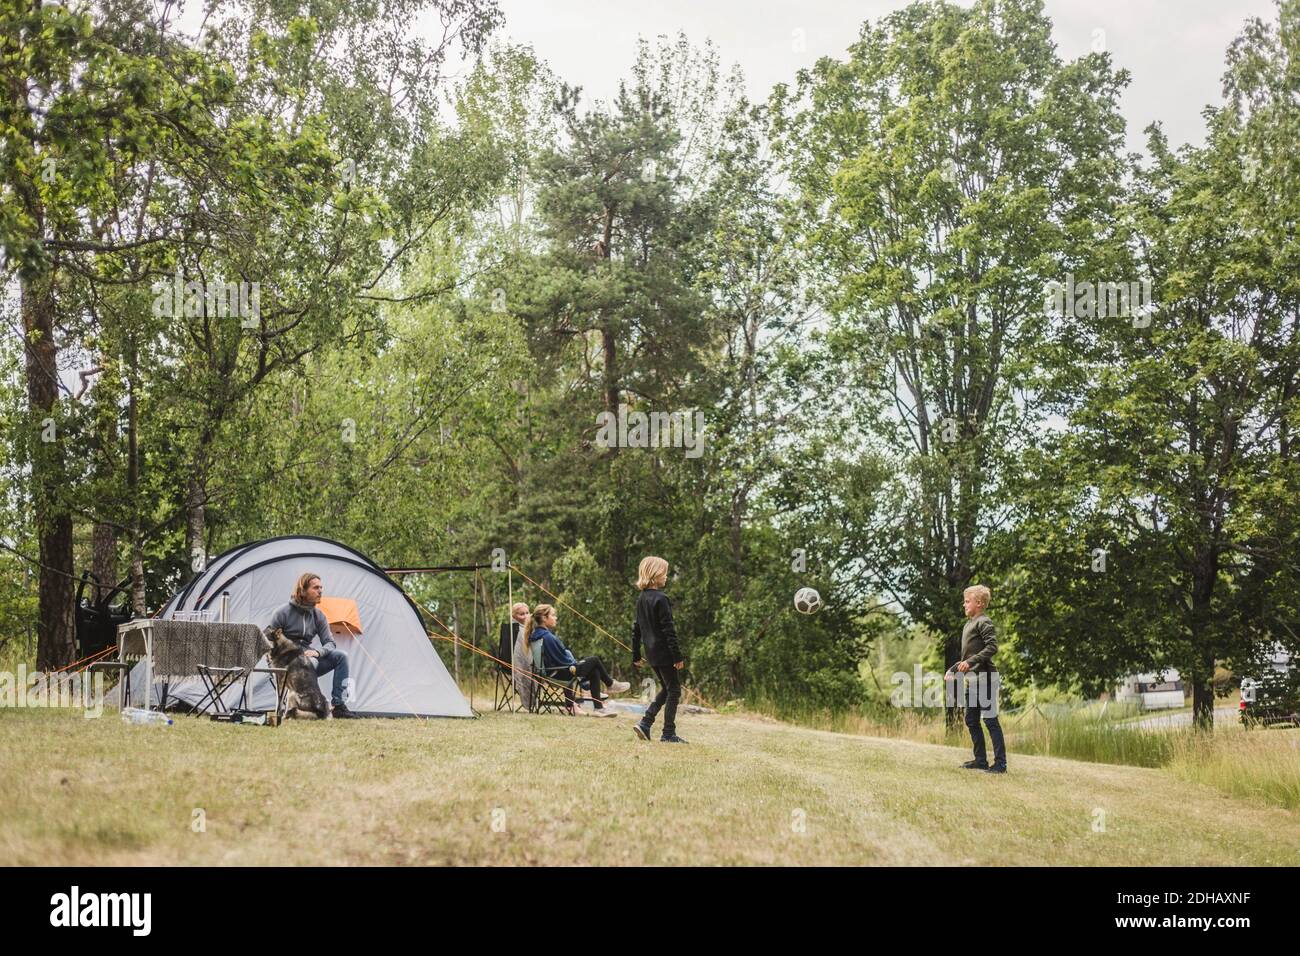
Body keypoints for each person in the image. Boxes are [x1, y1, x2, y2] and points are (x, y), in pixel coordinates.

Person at [265, 572, 357, 718]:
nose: (320, 591)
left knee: (341, 656)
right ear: (302, 591)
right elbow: (268, 642)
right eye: (315, 588)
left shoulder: (319, 615)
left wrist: (318, 652)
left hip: (309, 658)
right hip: (286, 663)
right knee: (310, 662)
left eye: (321, 587)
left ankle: (339, 705)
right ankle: (306, 707)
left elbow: (330, 643)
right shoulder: (282, 613)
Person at [523, 604, 629, 714]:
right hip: (561, 673)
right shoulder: (547, 637)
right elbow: (561, 660)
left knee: (595, 670)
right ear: (544, 618)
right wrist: (576, 664)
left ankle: (598, 708)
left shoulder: (537, 635)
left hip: (552, 672)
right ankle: (610, 684)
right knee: (594, 660)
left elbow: (558, 657)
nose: (556, 618)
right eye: (553, 615)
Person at [631, 556, 686, 743]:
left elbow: (636, 630)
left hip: (651, 653)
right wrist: (677, 656)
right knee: (675, 690)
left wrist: (636, 654)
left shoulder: (641, 599)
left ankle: (646, 722)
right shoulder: (661, 599)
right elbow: (669, 631)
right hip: (664, 653)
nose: (667, 577)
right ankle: (668, 733)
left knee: (668, 688)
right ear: (655, 575)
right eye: (665, 573)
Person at [954, 584, 1005, 773]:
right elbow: (966, 656)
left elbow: (992, 647)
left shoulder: (984, 621)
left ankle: (1000, 764)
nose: (964, 604)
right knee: (971, 720)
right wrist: (954, 671)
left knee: (990, 720)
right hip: (973, 680)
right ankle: (980, 760)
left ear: (979, 603)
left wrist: (971, 662)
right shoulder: (969, 624)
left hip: (986, 678)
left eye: (967, 601)